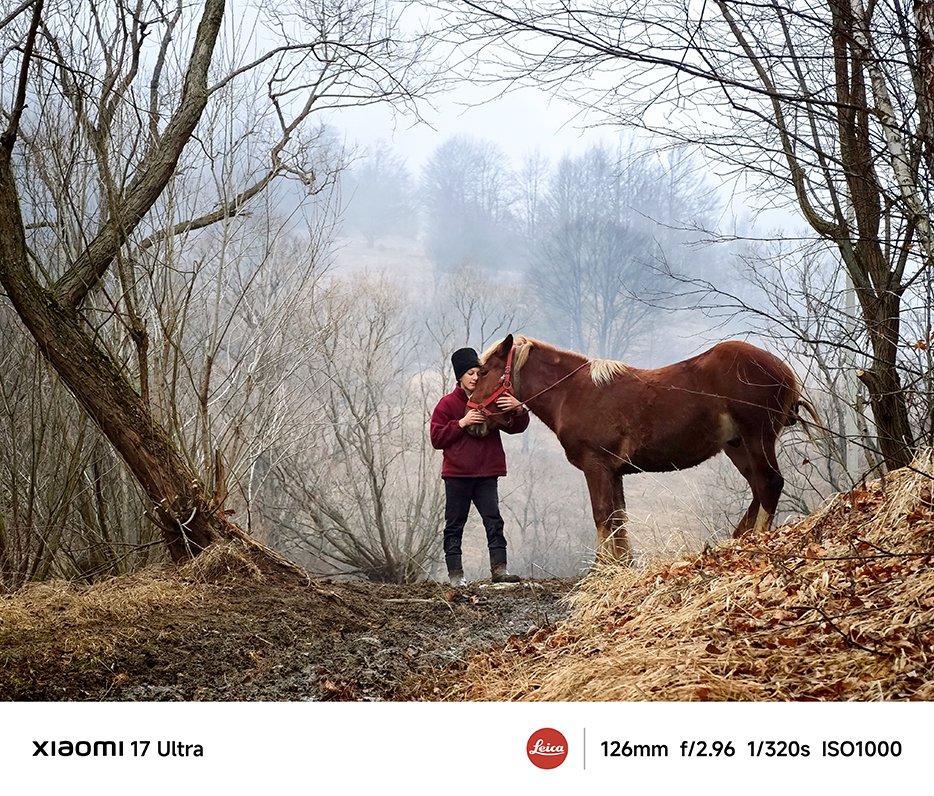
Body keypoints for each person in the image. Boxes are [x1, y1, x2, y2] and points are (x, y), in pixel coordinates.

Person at [430, 346, 530, 586]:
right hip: (457, 475)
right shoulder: (446, 404)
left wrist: (519, 409)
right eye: (470, 373)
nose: (475, 378)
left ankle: (500, 570)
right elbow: (436, 439)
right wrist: (462, 423)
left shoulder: (490, 399)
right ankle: (456, 575)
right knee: (455, 525)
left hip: (487, 473)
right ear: (460, 377)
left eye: (478, 373)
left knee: (494, 521)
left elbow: (516, 427)